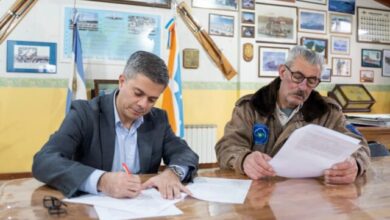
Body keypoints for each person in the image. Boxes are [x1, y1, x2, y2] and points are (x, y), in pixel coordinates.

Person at [32, 51, 199, 199]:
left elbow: (184, 153)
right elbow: (44, 161)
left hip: (143, 208)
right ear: (121, 81)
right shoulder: (85, 114)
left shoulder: (157, 119)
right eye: (138, 93)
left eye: (152, 99)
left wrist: (173, 173)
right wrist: (102, 180)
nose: (143, 104)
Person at [215, 46, 370, 184]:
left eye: (311, 81)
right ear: (282, 72)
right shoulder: (251, 106)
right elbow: (226, 147)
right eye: (297, 77)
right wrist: (244, 160)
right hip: (258, 195)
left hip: (310, 197)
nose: (302, 87)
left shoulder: (328, 112)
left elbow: (359, 145)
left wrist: (355, 164)